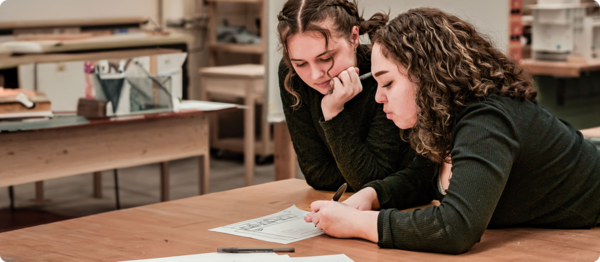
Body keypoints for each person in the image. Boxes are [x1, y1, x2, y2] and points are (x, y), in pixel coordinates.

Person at [305, 7, 600, 254]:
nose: (379, 97)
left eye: (389, 83)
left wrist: (357, 224)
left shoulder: (485, 121)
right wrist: (372, 195)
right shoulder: (445, 117)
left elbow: (455, 227)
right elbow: (424, 177)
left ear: (427, 76)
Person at [276, 0, 434, 192]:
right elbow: (316, 174)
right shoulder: (291, 76)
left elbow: (373, 180)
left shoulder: (385, 74)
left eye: (325, 58)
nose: (316, 74)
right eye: (300, 64)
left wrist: (333, 114)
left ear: (354, 36)